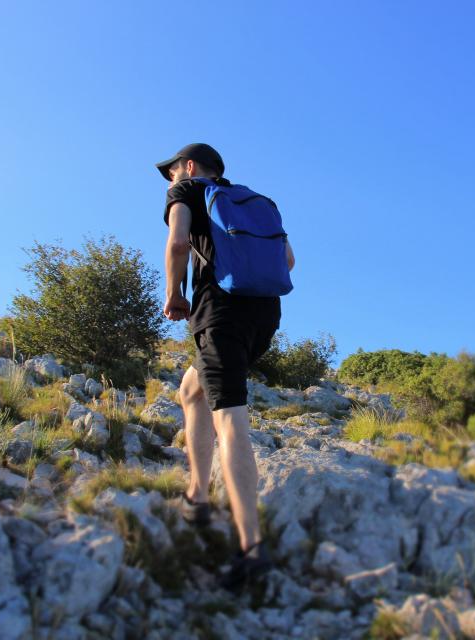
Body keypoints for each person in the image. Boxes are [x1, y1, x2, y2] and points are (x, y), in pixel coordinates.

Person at [156, 143, 295, 590]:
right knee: (191, 390)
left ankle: (253, 548)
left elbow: (178, 242)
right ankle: (197, 495)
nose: (170, 180)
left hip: (220, 313)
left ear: (190, 167)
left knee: (231, 421)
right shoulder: (257, 201)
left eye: (172, 172)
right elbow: (288, 260)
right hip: (265, 315)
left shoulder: (187, 192)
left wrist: (175, 292)